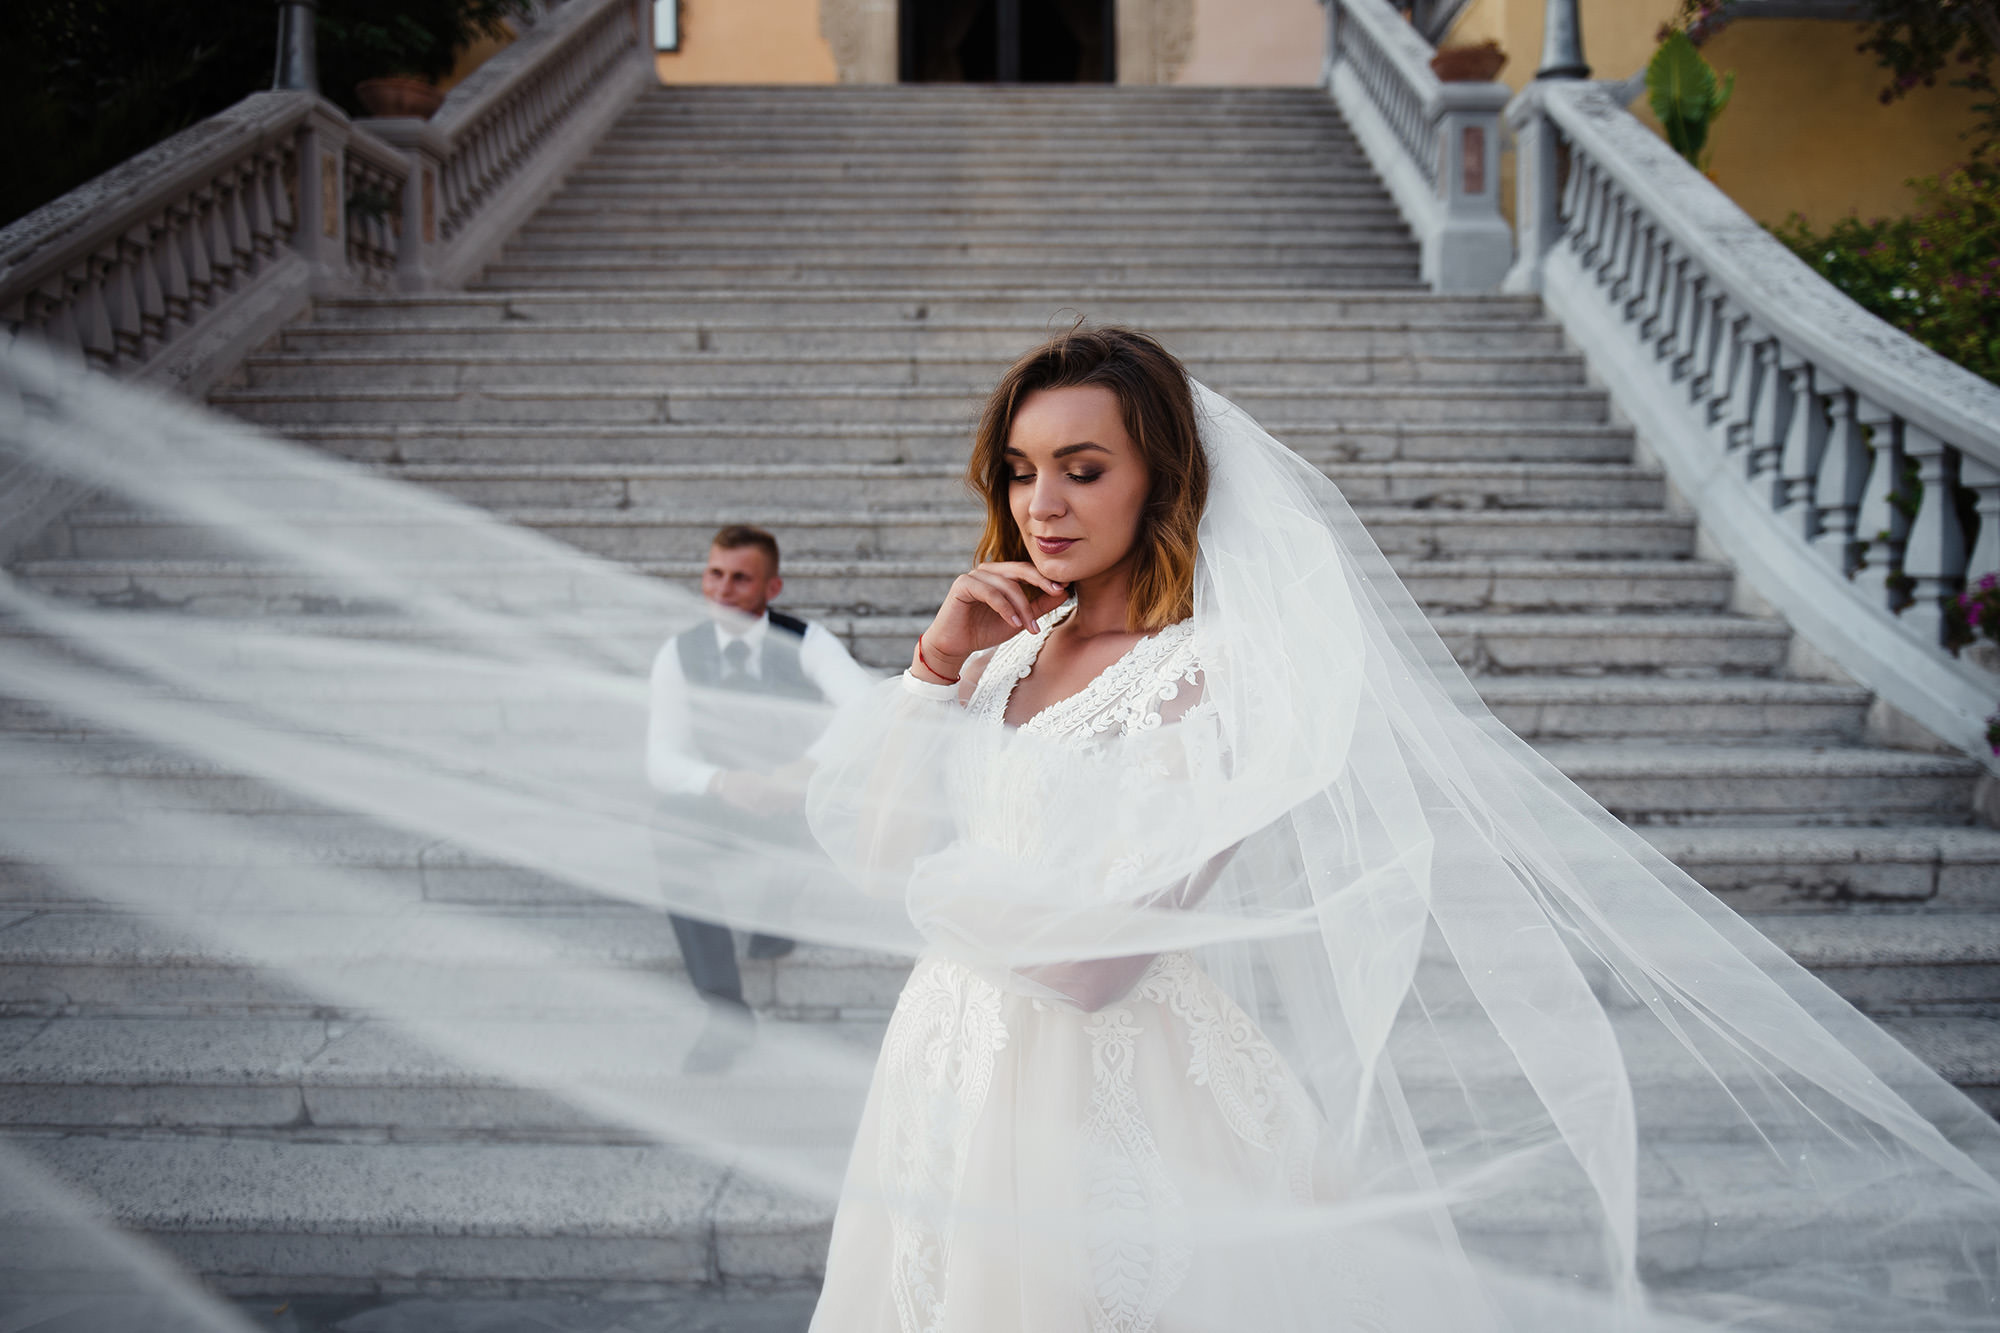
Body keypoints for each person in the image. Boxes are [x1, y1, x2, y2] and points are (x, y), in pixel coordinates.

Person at [797, 325, 2000, 1330]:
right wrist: (933, 664)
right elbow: (879, 846)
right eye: (1018, 470)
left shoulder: (1208, 677)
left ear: (1159, 475)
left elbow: (1094, 965)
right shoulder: (1004, 656)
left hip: (1098, 1096)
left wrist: (937, 910)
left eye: (1082, 467)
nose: (1041, 505)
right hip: (942, 1068)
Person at [646, 524, 878, 1073]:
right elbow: (661, 759)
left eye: (740, 579)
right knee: (668, 825)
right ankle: (725, 1009)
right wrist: (723, 783)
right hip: (731, 794)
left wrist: (803, 770)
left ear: (771, 588)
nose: (722, 590)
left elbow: (867, 704)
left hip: (802, 797)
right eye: (714, 575)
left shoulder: (808, 640)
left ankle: (779, 906)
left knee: (839, 806)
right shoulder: (678, 654)